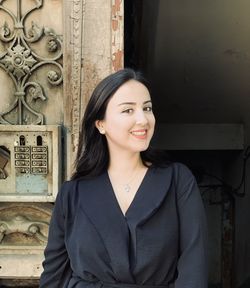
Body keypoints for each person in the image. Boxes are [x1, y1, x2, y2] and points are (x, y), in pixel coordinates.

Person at [40, 68, 208, 288]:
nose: (143, 119)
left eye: (147, 108)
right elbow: (53, 277)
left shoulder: (177, 181)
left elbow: (194, 269)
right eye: (128, 110)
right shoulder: (73, 194)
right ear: (101, 124)